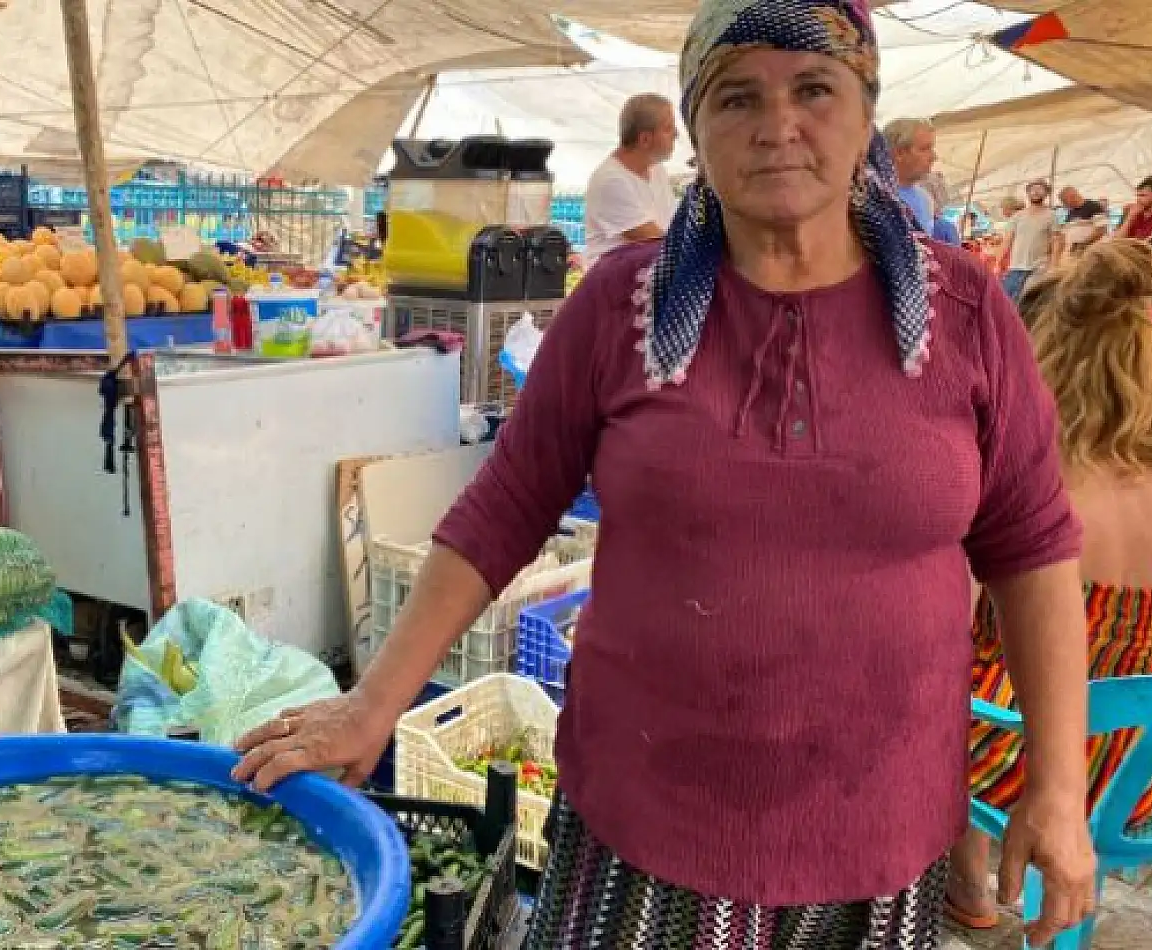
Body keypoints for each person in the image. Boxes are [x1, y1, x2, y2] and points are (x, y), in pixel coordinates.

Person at [234, 0, 1098, 947]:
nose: (778, 126)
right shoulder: (619, 306)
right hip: (646, 831)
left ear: (864, 112)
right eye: (736, 99)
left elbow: (1033, 547)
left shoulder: (965, 311)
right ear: (695, 131)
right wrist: (372, 707)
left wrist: (1057, 790)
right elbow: (503, 510)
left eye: (814, 89)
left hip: (880, 834)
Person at [947, 239, 1152, 929]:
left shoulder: (1027, 471)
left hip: (1021, 747)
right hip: (1134, 767)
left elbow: (958, 623)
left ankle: (967, 883)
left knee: (947, 685)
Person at [581, 93, 678, 266]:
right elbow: (655, 242)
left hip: (646, 280)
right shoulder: (611, 181)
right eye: (669, 128)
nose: (676, 134)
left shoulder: (657, 170)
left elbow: (674, 231)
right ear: (645, 139)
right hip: (615, 286)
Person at [1000, 180, 1057, 300]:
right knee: (1006, 301)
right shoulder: (1018, 216)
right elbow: (1007, 240)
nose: (1036, 192)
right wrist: (998, 261)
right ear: (1028, 193)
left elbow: (1056, 241)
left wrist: (1053, 265)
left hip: (1038, 267)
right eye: (1033, 189)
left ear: (1046, 194)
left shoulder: (1051, 215)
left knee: (1029, 302)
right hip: (1016, 266)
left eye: (1040, 189)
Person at [1059, 185, 1107, 256]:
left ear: (1072, 196)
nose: (1064, 205)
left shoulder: (1093, 206)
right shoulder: (1071, 212)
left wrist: (1083, 244)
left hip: (1091, 252)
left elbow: (1101, 230)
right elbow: (1064, 233)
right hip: (1075, 252)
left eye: (1065, 201)